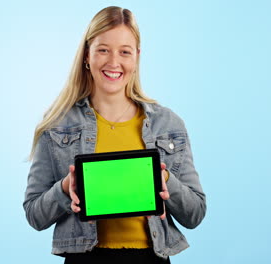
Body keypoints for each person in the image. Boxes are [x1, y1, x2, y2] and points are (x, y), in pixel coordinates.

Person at [23, 6, 206, 264]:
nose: (113, 62)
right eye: (103, 50)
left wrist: (164, 179)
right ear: (87, 55)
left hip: (151, 258)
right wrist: (65, 188)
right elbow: (34, 214)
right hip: (85, 258)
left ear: (136, 57)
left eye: (124, 52)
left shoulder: (168, 124)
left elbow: (195, 214)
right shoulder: (56, 124)